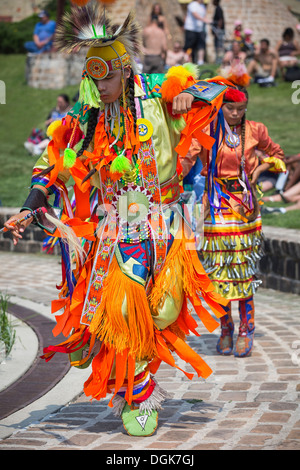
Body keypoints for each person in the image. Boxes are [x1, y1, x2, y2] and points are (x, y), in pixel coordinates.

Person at [5, 3, 230, 437]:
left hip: (168, 221)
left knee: (164, 312)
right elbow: (50, 162)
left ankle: (125, 366)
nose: (100, 84)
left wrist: (187, 95)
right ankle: (137, 395)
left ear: (125, 69)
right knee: (126, 309)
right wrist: (29, 204)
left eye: (107, 74)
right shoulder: (87, 118)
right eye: (93, 76)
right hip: (120, 228)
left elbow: (218, 93)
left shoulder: (157, 93)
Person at [183, 85, 286, 358]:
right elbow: (187, 156)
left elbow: (278, 156)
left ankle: (246, 328)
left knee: (242, 270)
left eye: (241, 109)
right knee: (217, 272)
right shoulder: (207, 130)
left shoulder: (255, 130)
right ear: (220, 107)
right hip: (214, 206)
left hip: (244, 208)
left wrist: (261, 168)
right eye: (231, 109)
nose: (236, 114)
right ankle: (225, 327)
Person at [183, 0, 210, 65]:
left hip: (199, 29)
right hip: (191, 28)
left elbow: (204, 15)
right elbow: (195, 14)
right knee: (189, 45)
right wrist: (204, 20)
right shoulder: (192, 4)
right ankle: (186, 60)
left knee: (201, 45)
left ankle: (200, 61)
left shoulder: (202, 6)